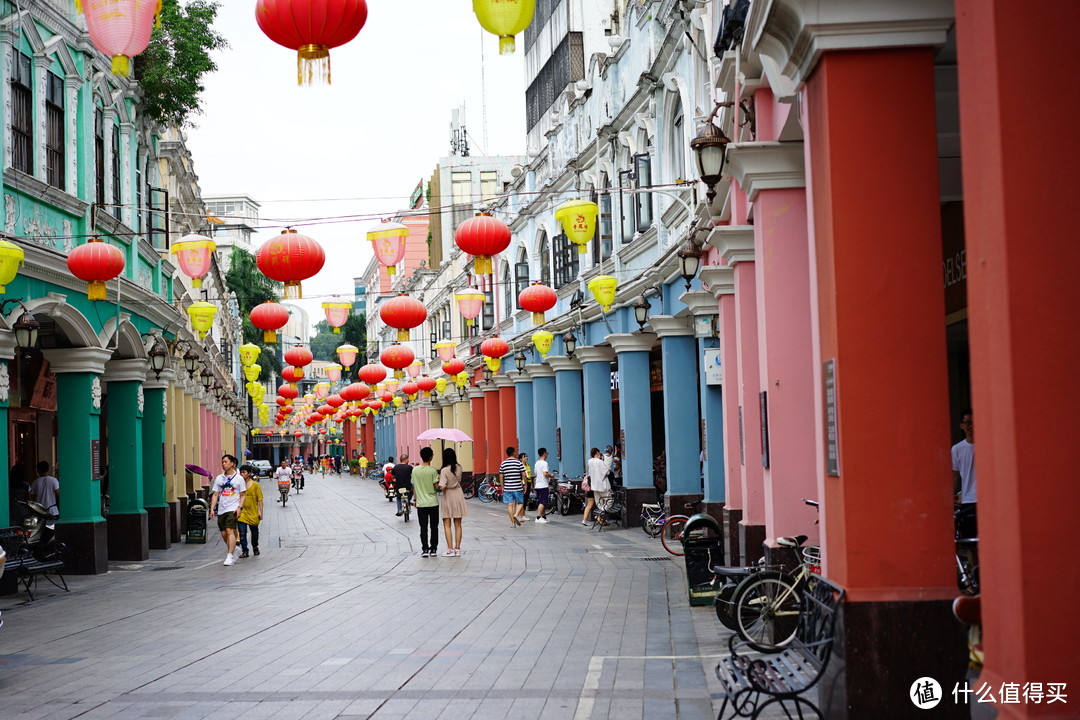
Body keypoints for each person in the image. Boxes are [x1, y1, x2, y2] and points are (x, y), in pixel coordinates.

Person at [209, 454, 247, 566]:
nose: (223, 464)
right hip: (221, 509)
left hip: (233, 508)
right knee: (224, 533)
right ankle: (235, 549)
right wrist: (212, 509)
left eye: (225, 462)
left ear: (232, 464)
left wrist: (239, 507)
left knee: (230, 530)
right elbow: (215, 494)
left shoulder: (239, 478)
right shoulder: (219, 478)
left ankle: (229, 555)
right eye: (222, 462)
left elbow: (243, 494)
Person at [952, 410, 978, 539]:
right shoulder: (957, 449)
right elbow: (954, 476)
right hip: (968, 499)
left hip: (986, 500)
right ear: (961, 425)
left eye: (973, 423)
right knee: (969, 541)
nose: (970, 426)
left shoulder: (987, 445)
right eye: (967, 423)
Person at [412, 447, 440, 557]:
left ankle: (425, 549)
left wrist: (414, 500)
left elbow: (414, 487)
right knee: (434, 527)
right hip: (433, 502)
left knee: (423, 527)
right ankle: (433, 549)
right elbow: (436, 487)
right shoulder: (432, 470)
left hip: (421, 503)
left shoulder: (415, 470)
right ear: (431, 457)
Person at [438, 447, 466, 556]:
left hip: (448, 495)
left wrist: (440, 479)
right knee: (458, 524)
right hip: (458, 494)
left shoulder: (444, 470)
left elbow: (442, 487)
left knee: (447, 524)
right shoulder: (459, 467)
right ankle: (457, 549)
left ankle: (450, 549)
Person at [236, 464, 263, 558]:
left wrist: (260, 512)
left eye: (244, 472)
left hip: (253, 512)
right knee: (242, 532)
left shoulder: (255, 485)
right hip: (242, 512)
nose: (242, 474)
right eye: (241, 472)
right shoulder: (239, 485)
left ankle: (255, 547)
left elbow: (260, 499)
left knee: (254, 532)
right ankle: (245, 551)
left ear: (249, 473)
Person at [499, 447, 527, 528]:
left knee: (510, 505)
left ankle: (513, 523)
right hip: (517, 487)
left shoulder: (503, 463)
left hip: (507, 487)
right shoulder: (518, 463)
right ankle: (517, 514)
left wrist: (502, 486)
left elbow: (501, 476)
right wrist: (525, 484)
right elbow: (524, 474)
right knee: (520, 503)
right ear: (514, 453)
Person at [586, 447, 614, 526]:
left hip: (594, 485)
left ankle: (599, 515)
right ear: (597, 453)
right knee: (609, 500)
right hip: (602, 485)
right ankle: (600, 514)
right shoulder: (600, 462)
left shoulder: (590, 461)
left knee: (599, 502)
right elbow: (607, 472)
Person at [533, 448, 552, 523]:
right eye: (547, 453)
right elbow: (545, 474)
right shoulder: (544, 463)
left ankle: (543, 516)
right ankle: (538, 517)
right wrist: (551, 475)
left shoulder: (537, 463)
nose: (547, 454)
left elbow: (535, 474)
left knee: (541, 501)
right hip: (543, 484)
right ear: (544, 453)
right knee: (543, 502)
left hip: (538, 484)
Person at [516, 452, 532, 523]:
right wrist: (523, 484)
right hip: (522, 484)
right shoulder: (520, 466)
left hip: (528, 483)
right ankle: (519, 516)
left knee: (525, 500)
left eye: (527, 456)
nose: (526, 458)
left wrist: (531, 484)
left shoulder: (528, 465)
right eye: (524, 456)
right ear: (520, 459)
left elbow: (529, 475)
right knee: (521, 500)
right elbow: (521, 476)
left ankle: (523, 515)